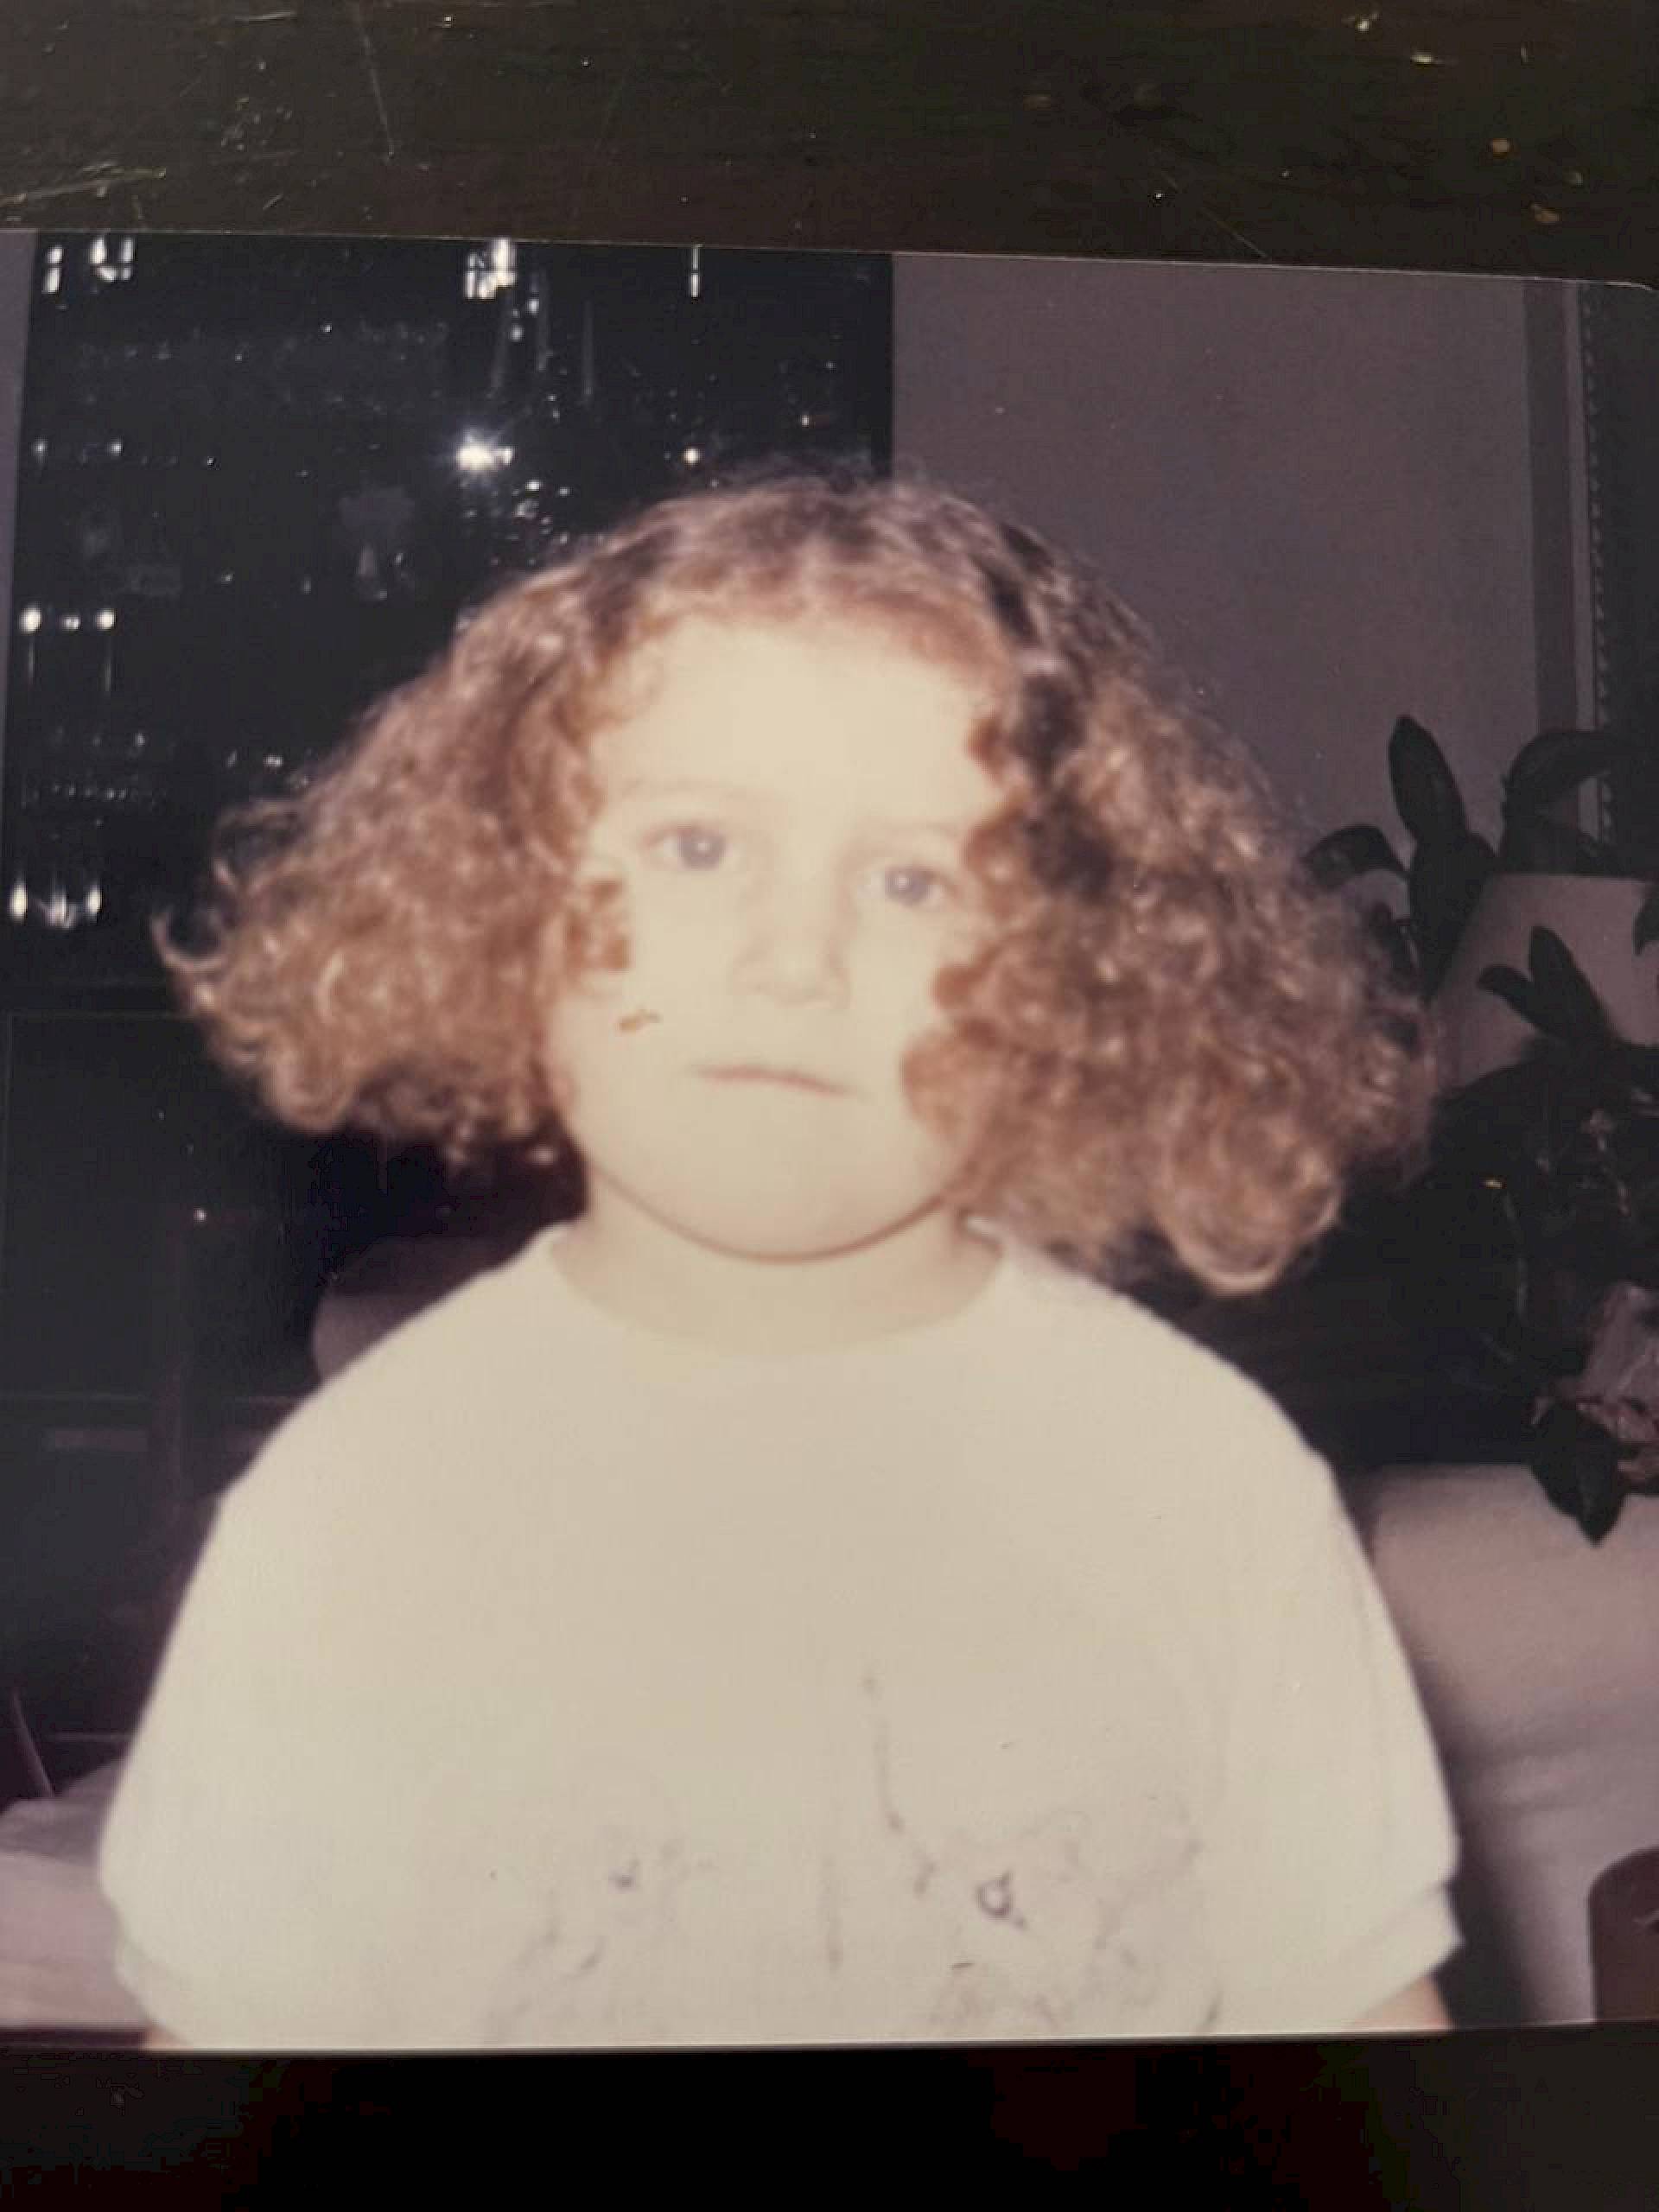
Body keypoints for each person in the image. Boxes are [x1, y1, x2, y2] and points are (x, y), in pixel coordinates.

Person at [100, 463, 1460, 2051]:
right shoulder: (358, 1509)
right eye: (697, 847)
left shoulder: (1206, 1486)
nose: (793, 958)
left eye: (910, 880)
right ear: (508, 902)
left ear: (1075, 977)